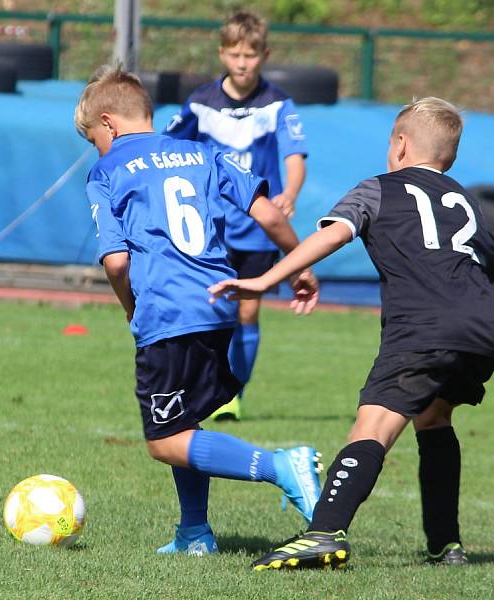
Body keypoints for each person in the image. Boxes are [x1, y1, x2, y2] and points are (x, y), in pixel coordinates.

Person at [208, 97, 494, 569]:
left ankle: (324, 532)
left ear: (400, 144)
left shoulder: (378, 189)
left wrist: (265, 280)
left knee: (374, 423)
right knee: (434, 417)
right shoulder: (464, 202)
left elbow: (334, 234)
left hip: (426, 325)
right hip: (485, 326)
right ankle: (445, 544)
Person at [74, 65, 322, 556]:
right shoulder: (202, 152)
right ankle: (194, 532)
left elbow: (118, 260)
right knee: (185, 422)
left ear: (109, 124)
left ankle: (281, 466)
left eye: (93, 139)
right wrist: (298, 267)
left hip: (167, 312)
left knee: (164, 440)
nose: (97, 149)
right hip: (217, 305)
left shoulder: (107, 170)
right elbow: (270, 214)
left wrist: (130, 308)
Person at [165, 10, 308, 421]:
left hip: (259, 226)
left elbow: (294, 155)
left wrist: (290, 192)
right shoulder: (200, 103)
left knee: (247, 310)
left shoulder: (278, 103)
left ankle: (232, 395)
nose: (242, 63)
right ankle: (198, 384)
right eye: (234, 54)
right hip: (210, 226)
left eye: (250, 54)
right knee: (206, 307)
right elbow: (168, 149)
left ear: (265, 54)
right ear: (221, 54)